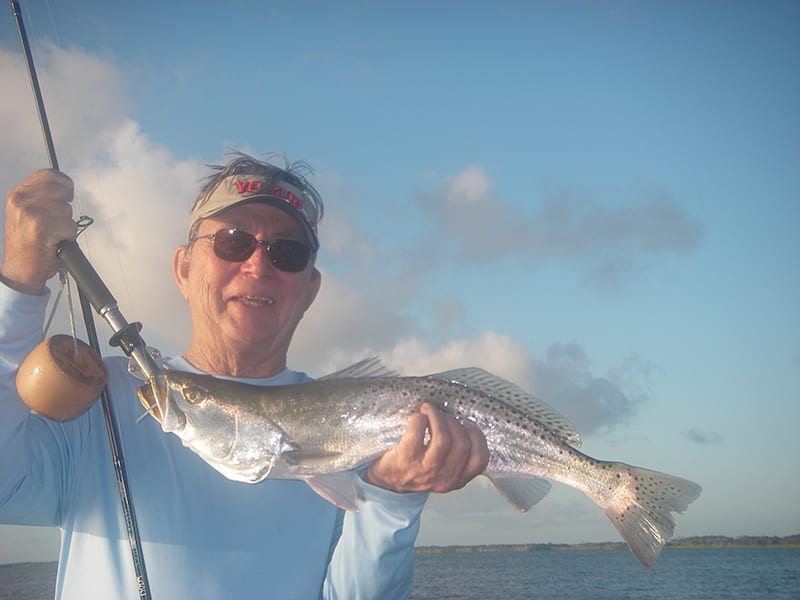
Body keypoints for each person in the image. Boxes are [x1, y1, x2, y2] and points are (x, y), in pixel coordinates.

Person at [0, 153, 489, 599]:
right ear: (184, 268)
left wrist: (391, 500)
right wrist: (17, 286)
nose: (258, 266)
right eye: (232, 242)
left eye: (288, 253)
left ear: (311, 289)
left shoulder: (365, 439)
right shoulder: (101, 398)